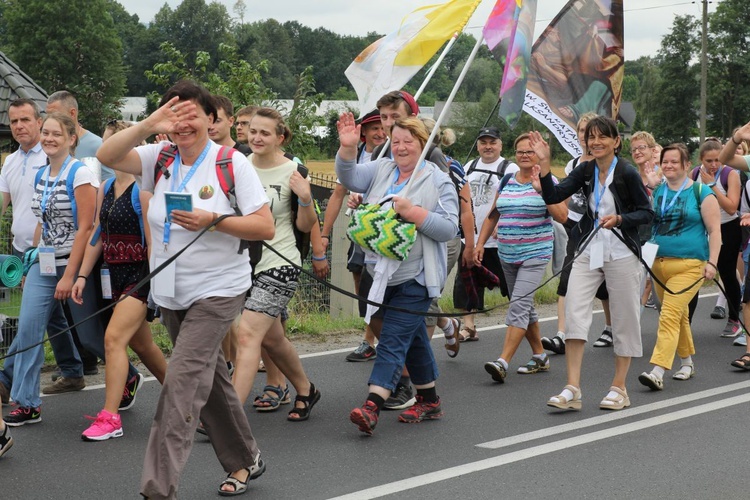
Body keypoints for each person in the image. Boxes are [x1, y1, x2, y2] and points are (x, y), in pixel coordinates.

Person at [97, 80, 275, 498]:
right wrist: (147, 125)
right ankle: (246, 459)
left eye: (192, 113)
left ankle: (158, 489)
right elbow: (107, 156)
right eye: (174, 115)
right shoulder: (158, 157)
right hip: (171, 288)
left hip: (219, 288)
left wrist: (212, 220)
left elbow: (263, 226)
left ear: (212, 119)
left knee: (179, 386)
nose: (183, 123)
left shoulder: (231, 162)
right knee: (210, 382)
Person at [336, 113, 459, 435]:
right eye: (397, 141)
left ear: (424, 144)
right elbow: (349, 178)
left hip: (417, 277)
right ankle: (430, 400)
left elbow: (448, 228)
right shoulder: (382, 169)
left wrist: (414, 213)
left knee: (391, 338)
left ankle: (372, 404)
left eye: (409, 142)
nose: (401, 148)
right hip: (378, 273)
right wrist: (347, 149)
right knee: (414, 337)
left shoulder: (437, 180)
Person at [2, 112, 123, 426]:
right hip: (44, 267)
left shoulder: (80, 174)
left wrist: (71, 275)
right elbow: (43, 222)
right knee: (29, 330)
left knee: (91, 338)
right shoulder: (42, 175)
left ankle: (129, 376)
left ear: (71, 140)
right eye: (45, 133)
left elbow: (86, 228)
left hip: (74, 266)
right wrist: (32, 262)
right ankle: (28, 403)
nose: (49, 139)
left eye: (56, 134)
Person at [534, 116, 654, 411]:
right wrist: (546, 164)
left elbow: (647, 213)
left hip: (622, 250)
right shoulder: (585, 170)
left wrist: (620, 219)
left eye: (603, 137)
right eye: (591, 137)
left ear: (616, 141)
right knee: (574, 312)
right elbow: (553, 195)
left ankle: (619, 388)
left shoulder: (626, 172)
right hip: (589, 248)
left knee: (625, 317)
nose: (596, 142)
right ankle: (572, 388)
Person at [72, 120, 168, 441]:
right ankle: (187, 399)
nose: (106, 152)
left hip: (140, 275)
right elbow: (98, 234)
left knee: (114, 340)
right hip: (112, 274)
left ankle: (110, 418)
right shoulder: (104, 188)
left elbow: (153, 241)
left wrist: (155, 283)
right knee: (143, 345)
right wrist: (82, 275)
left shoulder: (144, 190)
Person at [230, 107, 321, 422]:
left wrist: (306, 197)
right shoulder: (238, 166)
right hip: (242, 263)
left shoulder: (295, 172)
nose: (256, 137)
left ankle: (229, 415)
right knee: (271, 337)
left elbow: (306, 225)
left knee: (247, 335)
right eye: (253, 131)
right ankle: (306, 388)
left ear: (281, 137)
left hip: (280, 262)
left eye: (265, 132)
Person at [477, 133, 567, 383]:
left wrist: (543, 191)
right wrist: (480, 244)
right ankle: (539, 355)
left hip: (535, 253)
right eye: (520, 152)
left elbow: (561, 216)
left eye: (530, 151)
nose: (525, 156)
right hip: (507, 253)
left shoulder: (550, 180)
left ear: (539, 154)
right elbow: (493, 215)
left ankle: (502, 360)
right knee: (524, 307)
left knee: (518, 305)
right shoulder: (506, 179)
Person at [638, 143, 721, 390]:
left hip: (689, 265)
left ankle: (657, 370)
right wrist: (652, 186)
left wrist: (712, 263)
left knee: (669, 315)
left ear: (686, 165)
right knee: (679, 316)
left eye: (675, 162)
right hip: (658, 264)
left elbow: (715, 231)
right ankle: (687, 363)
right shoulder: (659, 191)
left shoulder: (701, 192)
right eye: (665, 162)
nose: (669, 166)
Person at [540, 113, 616, 354]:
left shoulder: (610, 164)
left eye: (592, 133)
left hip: (603, 230)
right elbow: (562, 194)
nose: (587, 138)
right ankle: (563, 334)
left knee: (605, 284)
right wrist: (542, 180)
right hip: (577, 228)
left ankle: (610, 327)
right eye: (583, 132)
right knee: (567, 280)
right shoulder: (574, 164)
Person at [47, 90, 106, 379]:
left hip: (90, 243)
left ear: (71, 115)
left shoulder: (96, 146)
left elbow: (108, 189)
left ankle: (97, 359)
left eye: (53, 113)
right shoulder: (50, 154)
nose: (48, 121)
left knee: (87, 317)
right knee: (62, 312)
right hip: (55, 249)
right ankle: (77, 365)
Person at [323, 109, 386, 362]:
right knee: (361, 279)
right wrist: (324, 234)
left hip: (386, 231)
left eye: (383, 127)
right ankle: (371, 338)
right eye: (374, 128)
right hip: (360, 229)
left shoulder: (394, 154)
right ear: (363, 134)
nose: (380, 132)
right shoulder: (355, 156)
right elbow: (338, 194)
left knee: (379, 286)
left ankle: (371, 341)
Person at [454, 127, 518, 342]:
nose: (488, 146)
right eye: (483, 142)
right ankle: (469, 326)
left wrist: (505, 222)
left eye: (492, 142)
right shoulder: (468, 167)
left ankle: (520, 322)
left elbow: (516, 198)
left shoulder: (510, 168)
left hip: (499, 241)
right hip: (471, 238)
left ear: (500, 144)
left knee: (510, 284)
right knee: (467, 284)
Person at [692, 139, 742, 338]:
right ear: (701, 160)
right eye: (709, 161)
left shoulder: (730, 174)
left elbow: (731, 207)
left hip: (727, 227)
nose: (713, 165)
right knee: (694, 272)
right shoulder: (695, 173)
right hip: (703, 228)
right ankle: (685, 320)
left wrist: (711, 185)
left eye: (717, 160)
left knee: (727, 273)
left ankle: (734, 319)